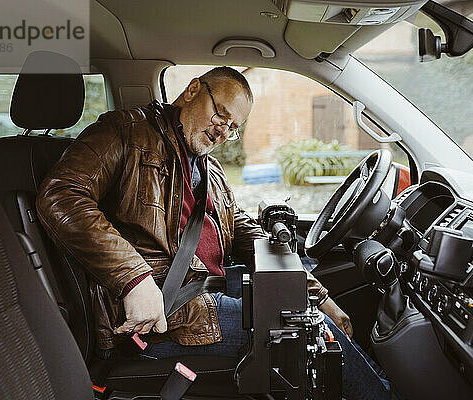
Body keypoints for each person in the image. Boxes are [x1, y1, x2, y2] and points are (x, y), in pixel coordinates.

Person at [37, 66, 397, 399]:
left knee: (307, 309)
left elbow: (241, 228)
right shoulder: (127, 132)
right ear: (194, 90)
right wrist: (134, 278)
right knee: (307, 328)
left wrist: (317, 295)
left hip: (207, 290)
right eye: (221, 115)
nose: (223, 132)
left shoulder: (210, 167)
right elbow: (61, 195)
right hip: (163, 313)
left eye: (233, 127)